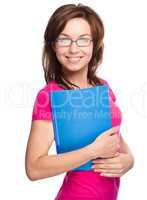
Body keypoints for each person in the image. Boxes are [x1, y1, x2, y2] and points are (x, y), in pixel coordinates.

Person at [25, 3, 134, 200]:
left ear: (95, 44)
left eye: (83, 40)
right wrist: (93, 151)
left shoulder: (102, 86)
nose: (74, 48)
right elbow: (34, 168)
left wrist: (129, 160)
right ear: (53, 45)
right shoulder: (50, 95)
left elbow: (115, 138)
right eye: (64, 39)